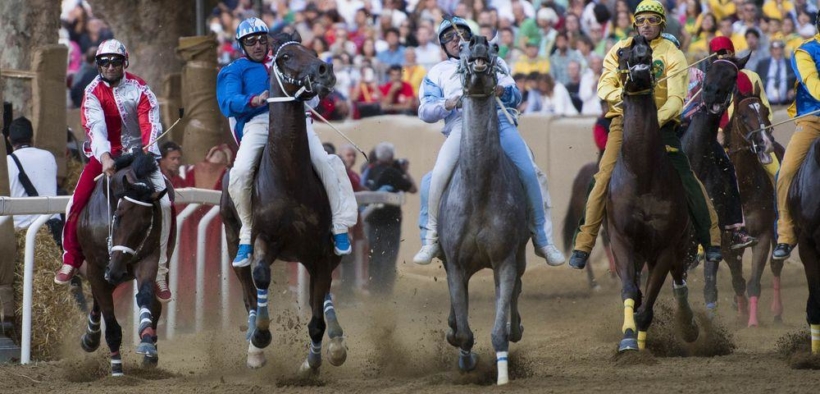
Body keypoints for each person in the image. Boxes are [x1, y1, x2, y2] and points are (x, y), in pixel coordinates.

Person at [568, 0, 723, 269]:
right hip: (623, 124)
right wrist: (627, 100)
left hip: (662, 126)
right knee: (602, 177)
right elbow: (605, 87)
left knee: (688, 178)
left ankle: (711, 240)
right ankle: (583, 243)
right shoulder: (619, 49)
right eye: (641, 20)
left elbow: (676, 99)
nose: (646, 25)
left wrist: (652, 121)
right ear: (635, 24)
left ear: (662, 23)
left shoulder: (673, 54)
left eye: (652, 20)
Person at [412, 17, 565, 266]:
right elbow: (425, 110)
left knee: (529, 171)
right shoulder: (436, 72)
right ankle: (430, 239)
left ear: (470, 37)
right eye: (448, 37)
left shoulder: (495, 60)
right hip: (461, 126)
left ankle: (542, 239)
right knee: (436, 176)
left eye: (460, 33)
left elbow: (515, 96)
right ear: (442, 45)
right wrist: (448, 103)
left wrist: (502, 91)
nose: (455, 39)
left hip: (498, 122)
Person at [216, 18, 358, 267]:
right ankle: (247, 234)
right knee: (238, 173)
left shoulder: (283, 61)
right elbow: (227, 102)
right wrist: (253, 100)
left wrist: (317, 89)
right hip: (258, 125)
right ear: (242, 45)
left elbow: (310, 96)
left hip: (295, 123)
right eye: (251, 41)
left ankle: (339, 225)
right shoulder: (234, 70)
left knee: (328, 162)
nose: (258, 45)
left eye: (262, 39)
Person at [55, 39, 174, 303]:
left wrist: (145, 153)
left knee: (165, 204)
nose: (110, 66)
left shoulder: (140, 88)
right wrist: (106, 156)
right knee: (74, 203)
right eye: (105, 62)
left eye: (115, 62)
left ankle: (160, 272)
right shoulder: (91, 91)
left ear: (124, 63)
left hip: (140, 157)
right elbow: (94, 127)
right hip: (106, 156)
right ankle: (71, 259)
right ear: (98, 65)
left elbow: (150, 123)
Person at [772, 11, 820, 260]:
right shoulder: (805, 51)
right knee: (786, 171)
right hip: (813, 120)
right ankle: (786, 234)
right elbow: (812, 83)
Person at [363, 142, 417, 295]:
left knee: (373, 256)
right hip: (390, 222)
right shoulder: (393, 173)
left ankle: (374, 291)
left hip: (370, 220)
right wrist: (405, 171)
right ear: (392, 157)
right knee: (388, 257)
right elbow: (413, 188)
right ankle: (385, 292)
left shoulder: (368, 170)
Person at [5, 117, 62, 233]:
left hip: (22, 231)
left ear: (9, 140)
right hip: (52, 230)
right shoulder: (48, 156)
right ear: (32, 138)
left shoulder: (6, 162)